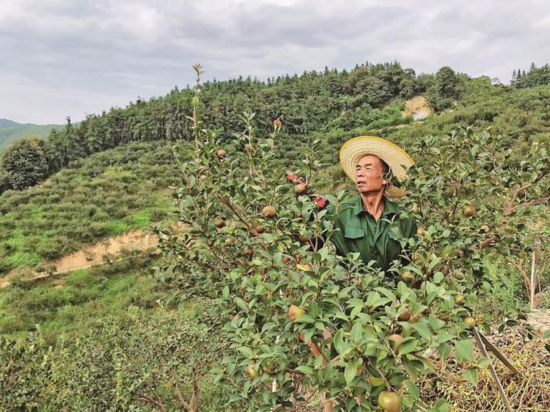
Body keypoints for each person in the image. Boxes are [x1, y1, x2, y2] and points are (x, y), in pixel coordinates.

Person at [329, 135, 417, 271]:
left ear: (385, 178)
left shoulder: (404, 217)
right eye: (358, 169)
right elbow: (311, 239)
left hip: (396, 290)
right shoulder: (340, 212)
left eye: (368, 168)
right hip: (351, 289)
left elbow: (413, 261)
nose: (359, 173)